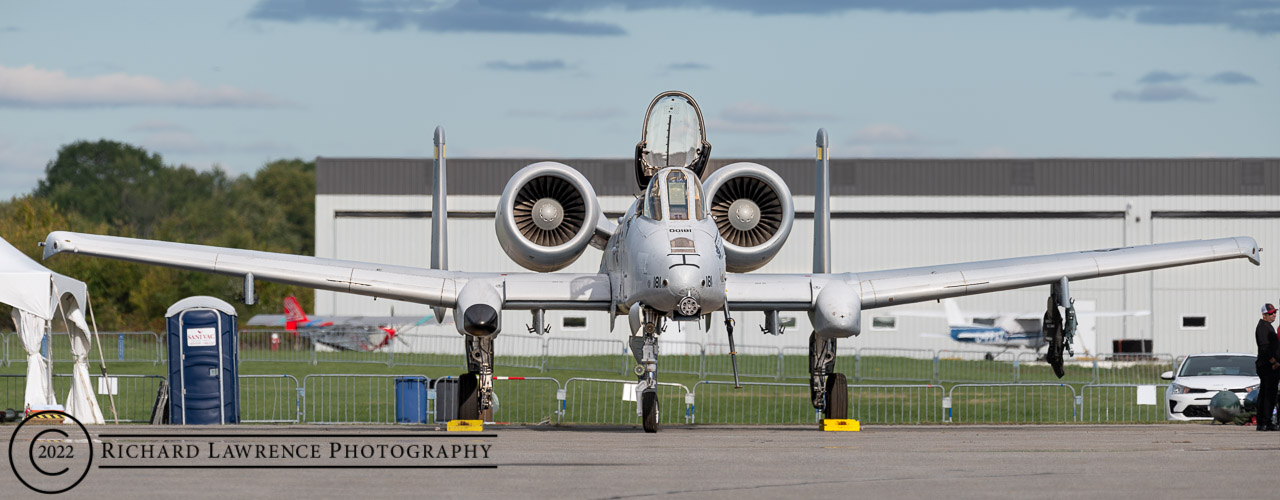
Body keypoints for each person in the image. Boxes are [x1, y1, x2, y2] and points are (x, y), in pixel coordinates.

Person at [1256, 303, 1280, 431]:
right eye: (1271, 313)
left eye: (1274, 312)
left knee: (1266, 394)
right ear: (1264, 315)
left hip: (1267, 366)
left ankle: (1263, 422)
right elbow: (1264, 347)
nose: (1274, 315)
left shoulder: (1268, 327)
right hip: (1268, 366)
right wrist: (1274, 362)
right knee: (1268, 395)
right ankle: (1265, 422)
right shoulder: (1263, 328)